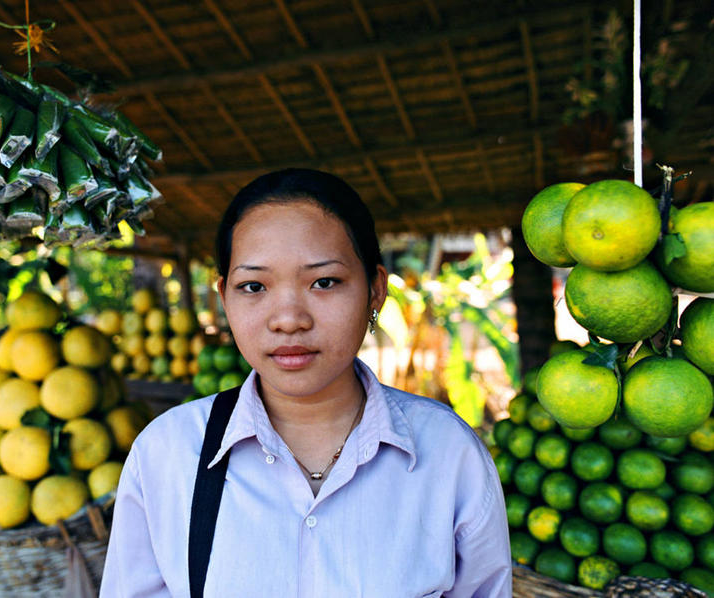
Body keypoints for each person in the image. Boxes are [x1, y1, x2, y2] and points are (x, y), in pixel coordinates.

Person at [100, 168, 511, 597]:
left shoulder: (449, 455)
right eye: (254, 286)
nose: (289, 319)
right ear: (224, 297)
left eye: (324, 282)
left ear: (375, 290)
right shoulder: (166, 456)